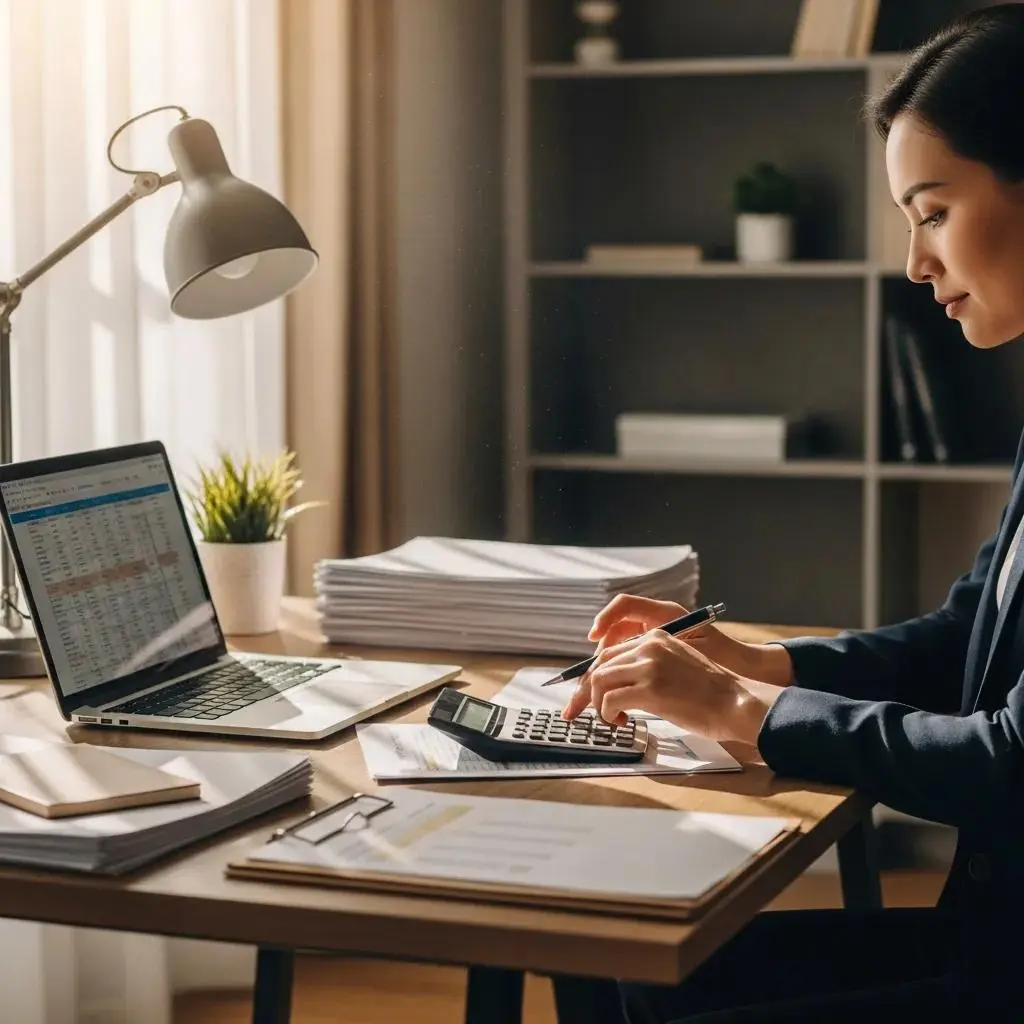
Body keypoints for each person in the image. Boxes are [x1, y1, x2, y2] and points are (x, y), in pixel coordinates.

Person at [554, 5, 1024, 1021]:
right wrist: (763, 664)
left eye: (933, 210)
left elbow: (1009, 763)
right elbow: (963, 642)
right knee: (605, 956)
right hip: (988, 940)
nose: (913, 262)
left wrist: (737, 713)